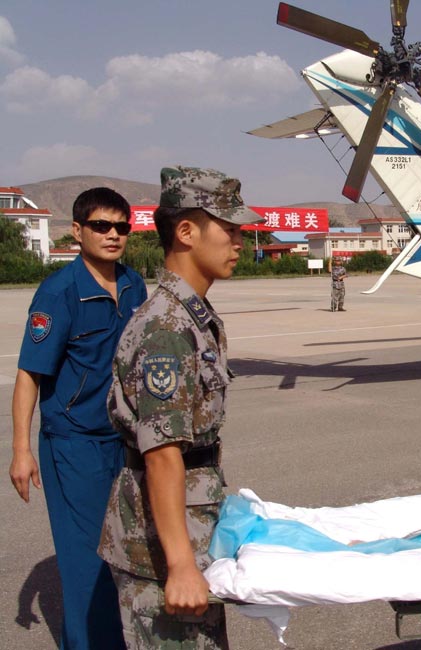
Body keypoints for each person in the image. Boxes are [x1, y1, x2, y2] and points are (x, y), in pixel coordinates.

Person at [98, 165, 263, 649]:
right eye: (229, 229)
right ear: (186, 232)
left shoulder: (191, 317)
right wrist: (181, 566)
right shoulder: (167, 329)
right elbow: (162, 454)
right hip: (161, 552)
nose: (239, 241)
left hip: (188, 528)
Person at [10, 187, 147, 649]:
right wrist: (21, 450)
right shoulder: (59, 293)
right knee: (88, 564)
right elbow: (29, 375)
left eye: (122, 227)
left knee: (127, 554)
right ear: (77, 230)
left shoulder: (133, 284)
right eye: (101, 226)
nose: (113, 235)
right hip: (74, 445)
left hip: (123, 441)